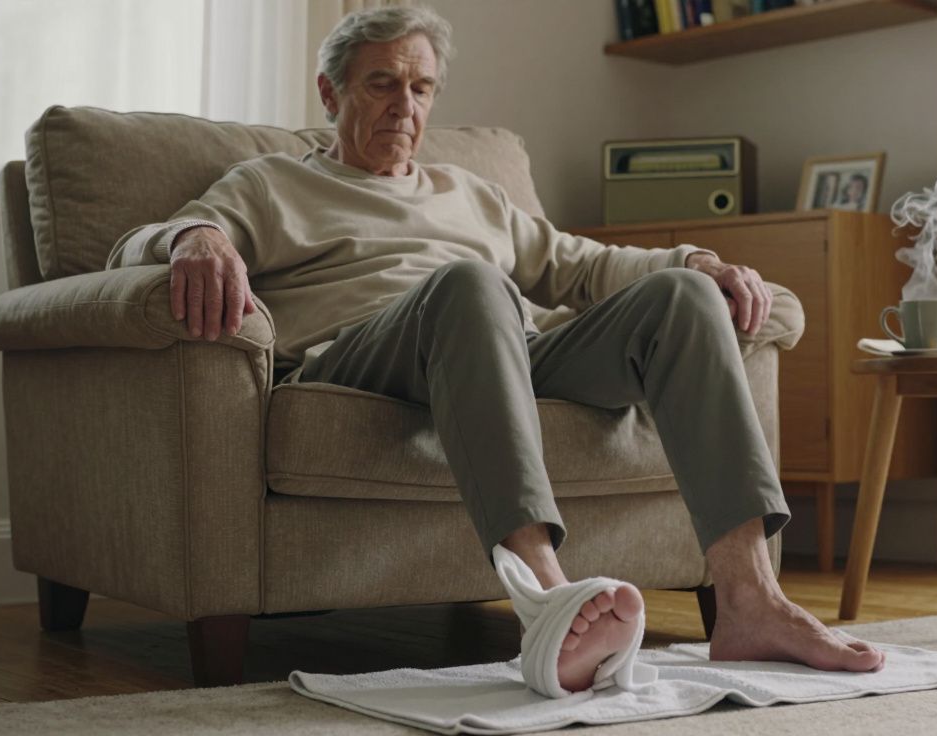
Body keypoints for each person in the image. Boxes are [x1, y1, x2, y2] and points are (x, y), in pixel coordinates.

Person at [107, 5, 884, 694]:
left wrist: (696, 262)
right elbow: (129, 250)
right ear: (329, 92)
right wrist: (196, 236)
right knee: (474, 284)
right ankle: (548, 598)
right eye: (381, 84)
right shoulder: (269, 183)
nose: (404, 106)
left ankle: (750, 603)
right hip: (366, 360)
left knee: (679, 297)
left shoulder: (470, 193)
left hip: (501, 346)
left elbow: (584, 265)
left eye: (421, 88)